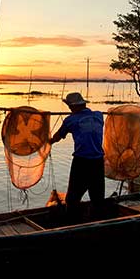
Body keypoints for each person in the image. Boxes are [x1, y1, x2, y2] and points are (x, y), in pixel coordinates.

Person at [49, 91, 105, 220]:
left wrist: (49, 142)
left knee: (72, 198)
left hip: (82, 162)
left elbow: (57, 137)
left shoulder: (71, 120)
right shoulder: (99, 115)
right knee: (97, 196)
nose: (69, 108)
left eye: (69, 106)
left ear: (73, 106)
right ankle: (98, 220)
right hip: (98, 161)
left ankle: (72, 221)